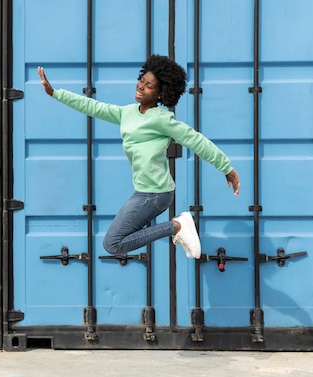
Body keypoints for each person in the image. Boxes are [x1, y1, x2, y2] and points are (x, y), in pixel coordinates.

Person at [37, 55, 240, 259]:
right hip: (143, 191)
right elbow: (93, 107)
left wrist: (226, 167)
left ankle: (177, 226)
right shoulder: (127, 112)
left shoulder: (162, 119)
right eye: (142, 80)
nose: (141, 86)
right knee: (115, 242)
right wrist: (55, 93)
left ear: (161, 94)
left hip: (156, 193)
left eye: (149, 86)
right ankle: (177, 226)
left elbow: (196, 140)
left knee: (113, 243)